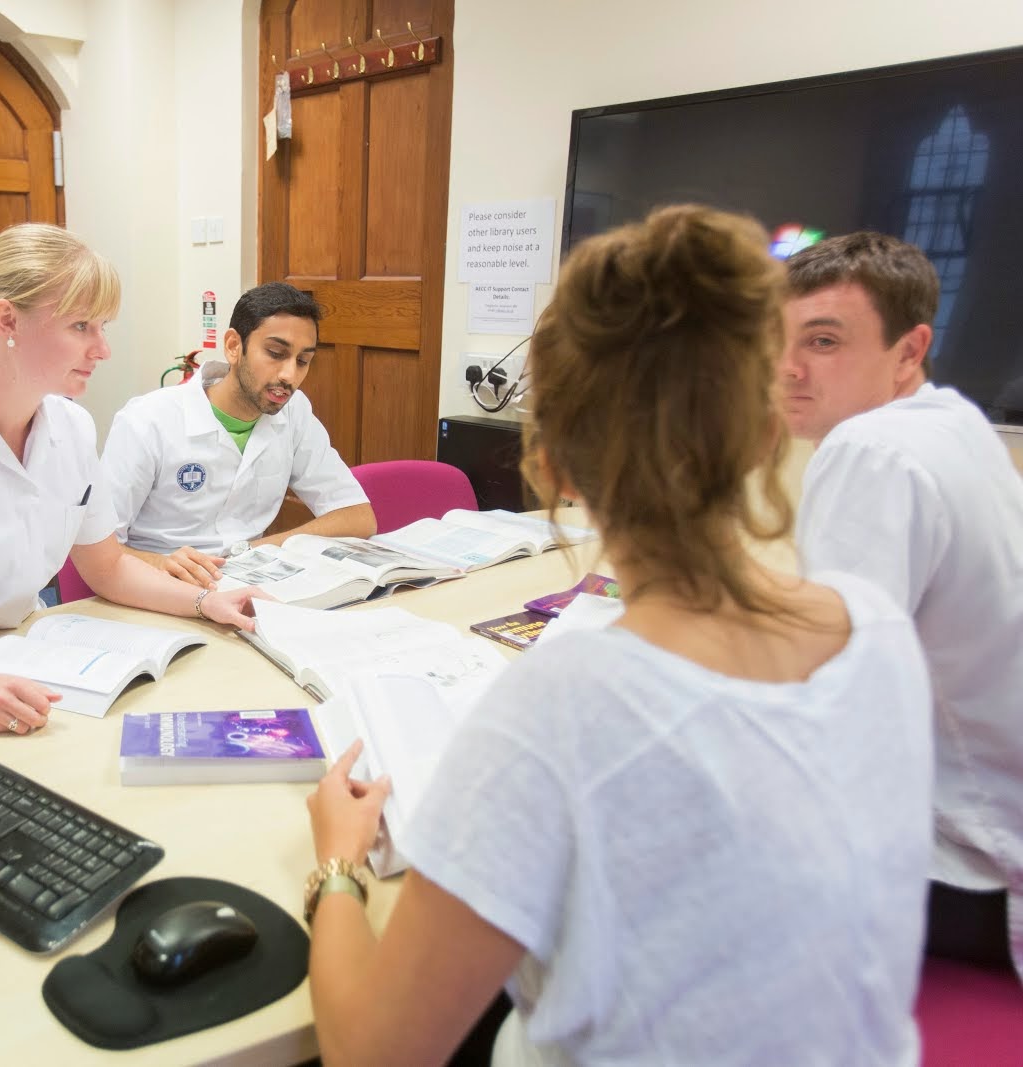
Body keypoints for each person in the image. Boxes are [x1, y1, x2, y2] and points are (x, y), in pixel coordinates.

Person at [301, 206, 935, 1065]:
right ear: (762, 428)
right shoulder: (881, 627)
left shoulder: (567, 701)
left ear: (550, 463)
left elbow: (373, 1053)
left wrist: (336, 867)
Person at [0, 223, 260, 736]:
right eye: (81, 326)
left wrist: (204, 603)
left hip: (21, 663)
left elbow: (106, 567)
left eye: (103, 326)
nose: (103, 349)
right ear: (7, 320)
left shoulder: (71, 427)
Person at [782, 231, 1023, 979]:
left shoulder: (872, 451)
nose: (787, 368)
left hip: (965, 864)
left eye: (823, 341)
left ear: (909, 350)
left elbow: (832, 701)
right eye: (778, 339)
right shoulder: (953, 419)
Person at [98, 281, 376, 587]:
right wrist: (163, 563)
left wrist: (257, 550)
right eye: (275, 353)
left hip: (245, 583)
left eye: (302, 361)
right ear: (233, 346)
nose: (289, 375)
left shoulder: (293, 411)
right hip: (157, 587)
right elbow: (96, 548)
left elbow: (357, 516)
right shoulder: (147, 421)